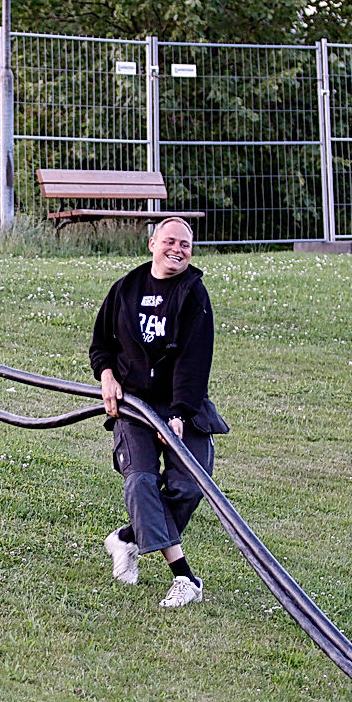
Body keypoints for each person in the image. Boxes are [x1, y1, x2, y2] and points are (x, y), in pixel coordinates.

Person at [89, 218, 228, 608]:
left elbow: (194, 363)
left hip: (183, 404)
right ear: (152, 243)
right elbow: (100, 344)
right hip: (134, 405)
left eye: (185, 244)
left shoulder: (193, 294)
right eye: (170, 241)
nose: (178, 249)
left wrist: (180, 414)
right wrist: (106, 376)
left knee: (189, 485)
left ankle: (127, 539)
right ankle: (186, 578)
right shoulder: (125, 290)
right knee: (141, 482)